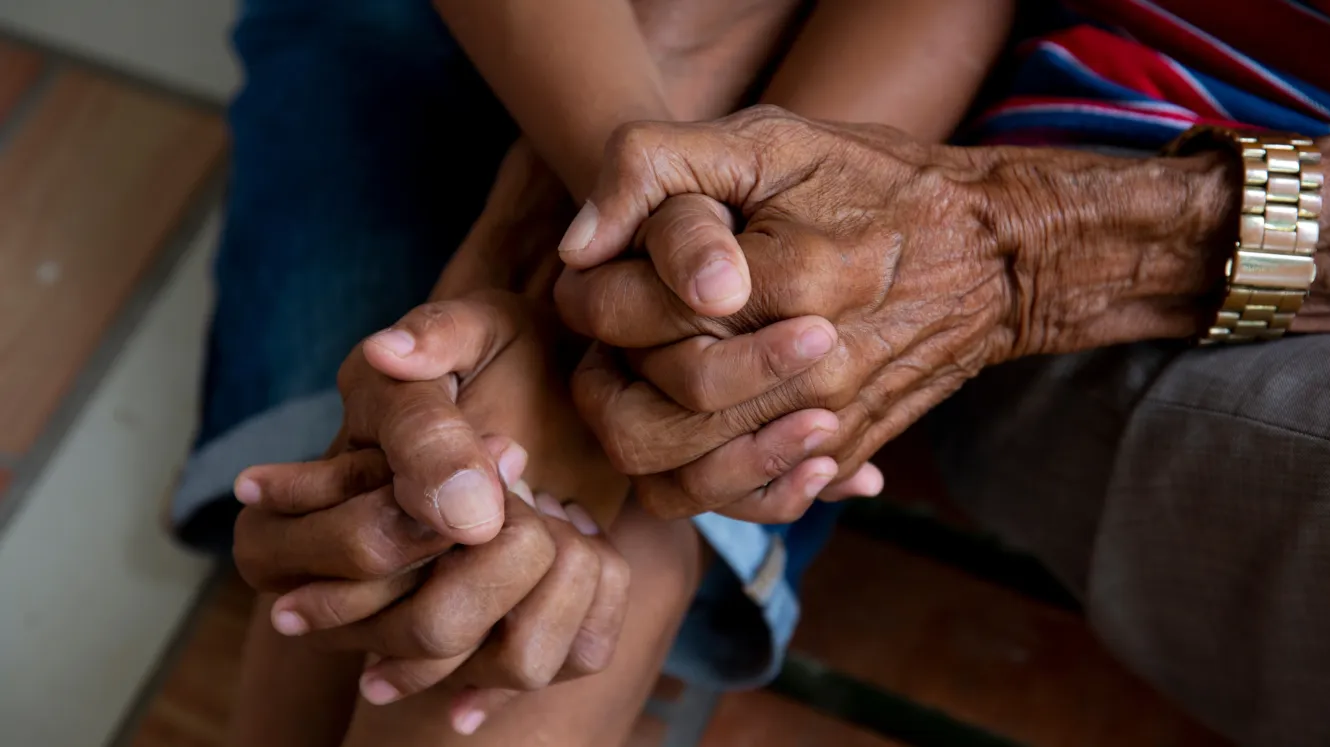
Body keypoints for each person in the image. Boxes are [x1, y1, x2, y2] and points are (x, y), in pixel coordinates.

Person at [183, 0, 1011, 744]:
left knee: (481, 524)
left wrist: (649, 270)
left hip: (813, 112)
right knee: (452, 522)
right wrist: (612, 220)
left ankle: (647, 465)